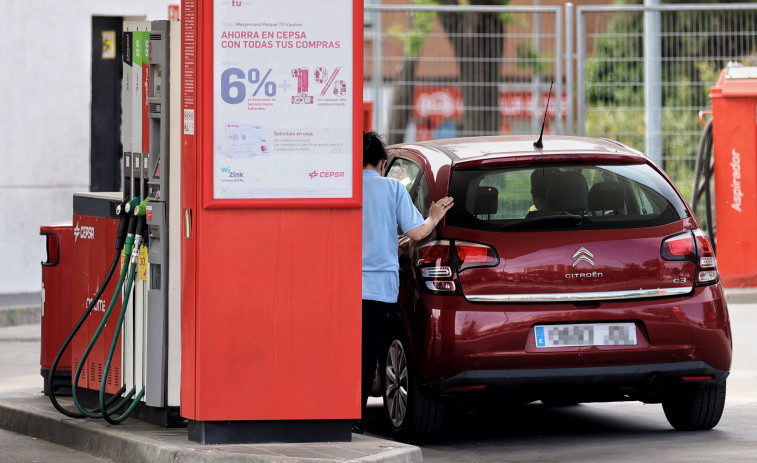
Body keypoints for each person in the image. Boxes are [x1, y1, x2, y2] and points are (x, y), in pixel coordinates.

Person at [356, 131, 453, 434]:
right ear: (382, 164)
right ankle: (356, 418)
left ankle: (342, 414)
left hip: (346, 287)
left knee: (347, 352)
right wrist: (435, 216)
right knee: (368, 353)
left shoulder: (345, 189)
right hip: (380, 290)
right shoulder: (392, 189)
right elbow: (418, 234)